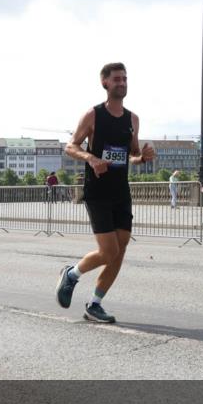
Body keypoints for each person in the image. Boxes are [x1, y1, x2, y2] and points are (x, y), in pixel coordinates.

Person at [55, 62, 155, 322]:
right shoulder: (93, 115)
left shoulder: (133, 119)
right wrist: (91, 158)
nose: (122, 83)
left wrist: (142, 158)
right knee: (108, 251)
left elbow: (131, 154)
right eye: (117, 79)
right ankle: (72, 275)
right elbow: (70, 146)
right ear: (105, 83)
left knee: (119, 252)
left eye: (125, 79)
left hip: (121, 192)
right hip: (97, 191)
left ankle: (94, 304)